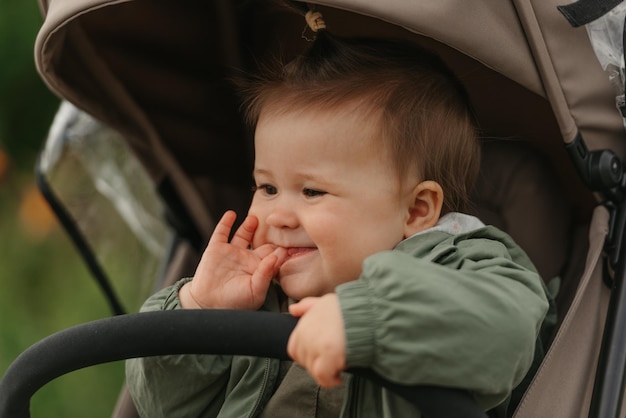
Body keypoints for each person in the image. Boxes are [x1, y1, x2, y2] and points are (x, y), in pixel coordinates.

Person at [126, 6, 551, 418]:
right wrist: (201, 311)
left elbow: (505, 336)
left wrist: (369, 319)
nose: (279, 217)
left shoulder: (464, 270)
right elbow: (162, 406)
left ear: (416, 210)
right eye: (267, 187)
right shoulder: (256, 304)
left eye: (311, 191)